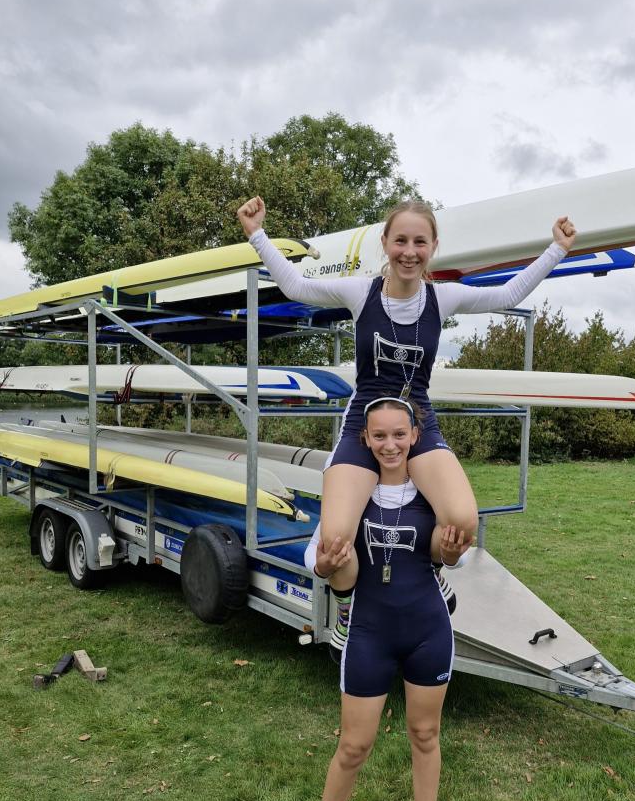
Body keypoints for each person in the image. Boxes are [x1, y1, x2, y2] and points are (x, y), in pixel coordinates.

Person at [237, 195, 576, 654]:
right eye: (401, 241)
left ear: (433, 246)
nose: (409, 251)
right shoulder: (361, 292)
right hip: (364, 422)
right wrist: (257, 234)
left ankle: (433, 573)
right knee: (335, 540)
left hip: (417, 422)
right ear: (386, 243)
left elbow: (507, 294)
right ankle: (344, 607)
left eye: (420, 241)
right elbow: (297, 287)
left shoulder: (443, 296)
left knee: (461, 520)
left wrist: (556, 248)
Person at [297, 397, 470, 801]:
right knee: (353, 745)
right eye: (379, 436)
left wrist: (453, 551)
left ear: (415, 436)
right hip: (369, 633)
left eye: (400, 434)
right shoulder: (350, 492)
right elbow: (321, 559)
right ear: (365, 440)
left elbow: (444, 551)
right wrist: (328, 564)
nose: (390, 444)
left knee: (425, 735)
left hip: (427, 632)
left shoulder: (432, 491)